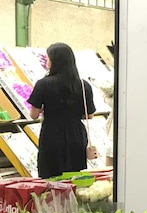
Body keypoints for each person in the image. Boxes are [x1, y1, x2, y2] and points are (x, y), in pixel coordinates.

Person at [26, 42, 96, 178]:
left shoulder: (43, 84)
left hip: (51, 134)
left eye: (48, 58)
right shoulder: (83, 85)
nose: (47, 61)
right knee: (75, 176)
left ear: (54, 60)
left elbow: (34, 115)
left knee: (50, 176)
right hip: (76, 134)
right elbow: (90, 115)